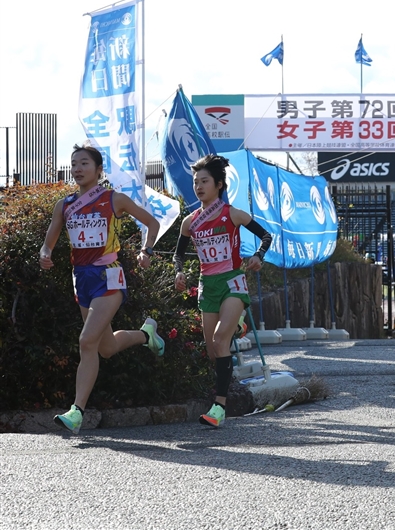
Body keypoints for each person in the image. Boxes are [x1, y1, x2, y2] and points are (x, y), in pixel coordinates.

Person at [40, 144, 162, 435]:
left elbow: (152, 223)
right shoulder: (65, 204)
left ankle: (76, 411)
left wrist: (147, 250)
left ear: (98, 169)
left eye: (84, 163)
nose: (78, 169)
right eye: (74, 164)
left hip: (109, 277)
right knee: (104, 348)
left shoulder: (113, 199)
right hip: (81, 279)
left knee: (86, 341)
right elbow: (49, 241)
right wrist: (45, 254)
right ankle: (146, 335)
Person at [173, 155, 273, 428]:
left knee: (219, 340)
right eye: (196, 182)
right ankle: (237, 326)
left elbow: (266, 236)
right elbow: (178, 256)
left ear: (218, 184)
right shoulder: (189, 222)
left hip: (232, 281)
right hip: (208, 285)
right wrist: (179, 272)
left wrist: (258, 256)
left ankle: (219, 407)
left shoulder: (233, 214)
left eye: (204, 181)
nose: (198, 186)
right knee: (213, 351)